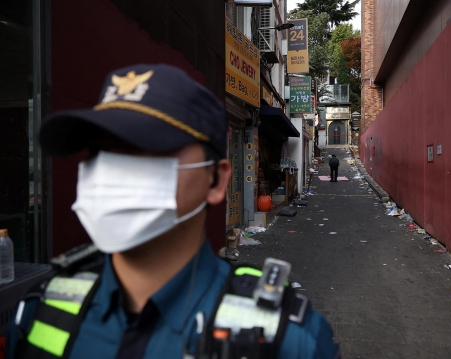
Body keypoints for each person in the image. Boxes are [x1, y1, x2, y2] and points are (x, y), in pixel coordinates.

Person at [6, 64, 339, 359]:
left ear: (216, 180)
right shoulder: (43, 309)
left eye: (149, 149)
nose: (114, 174)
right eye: (101, 153)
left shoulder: (287, 340)